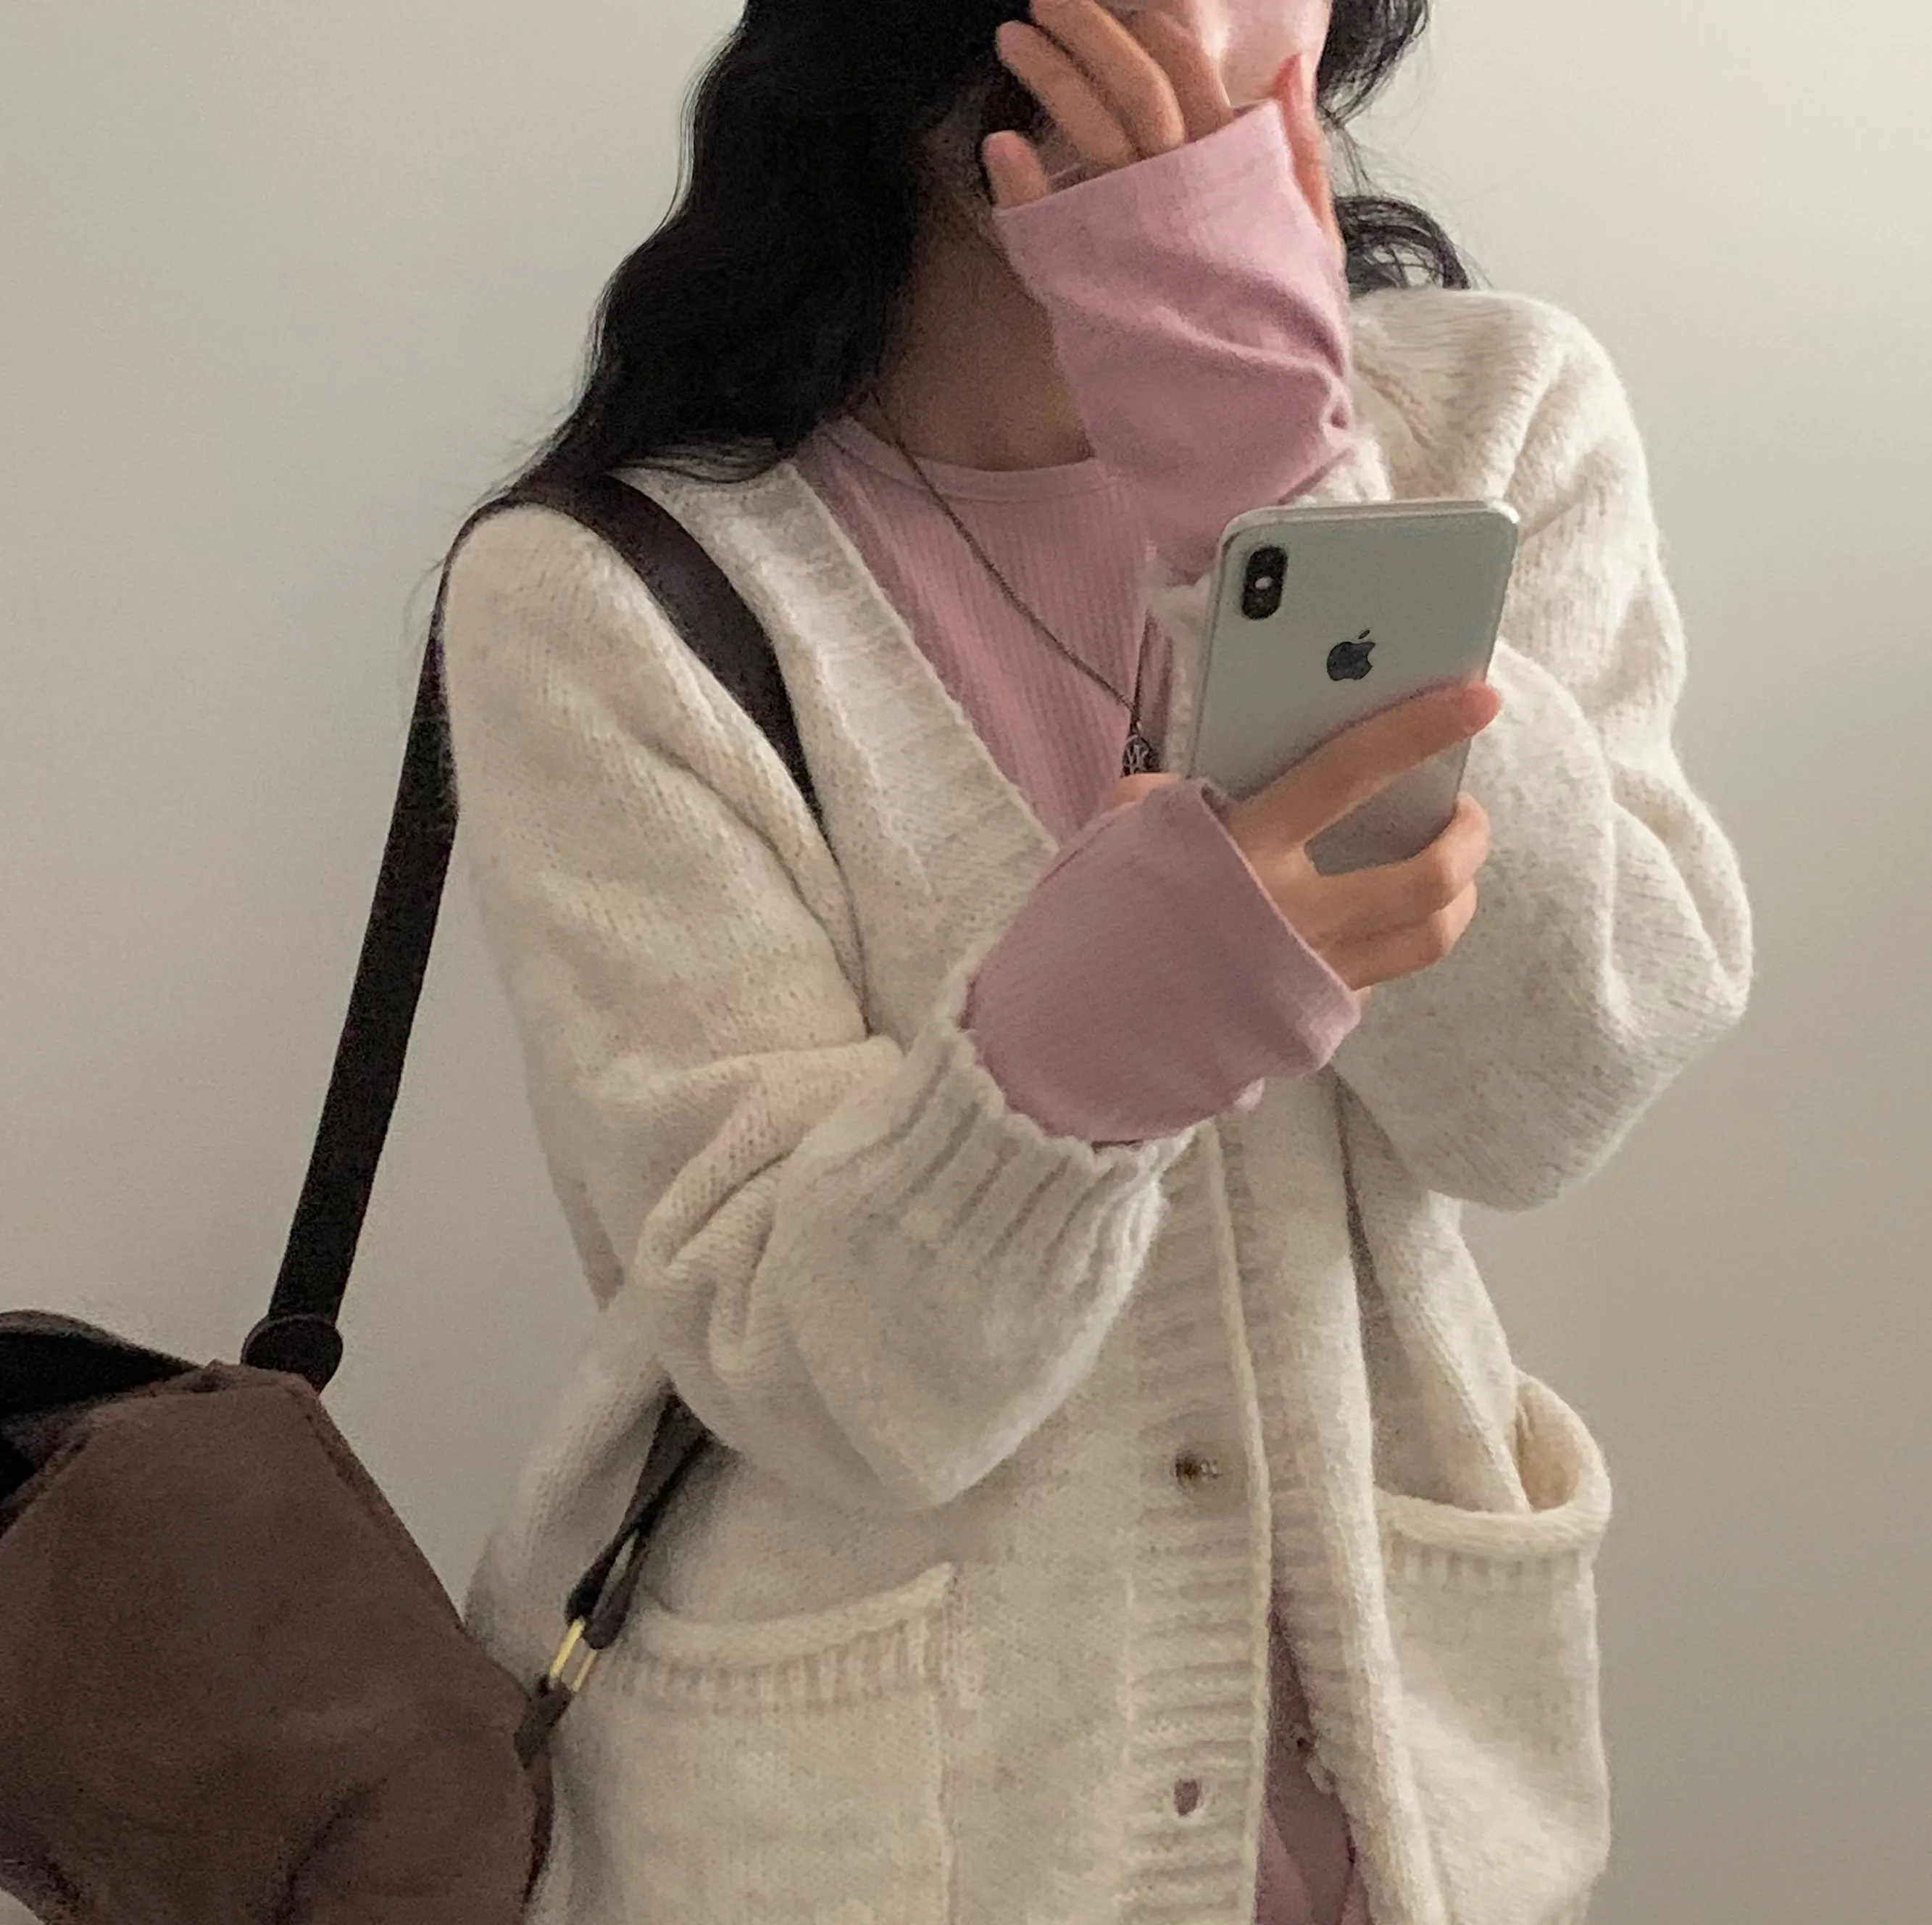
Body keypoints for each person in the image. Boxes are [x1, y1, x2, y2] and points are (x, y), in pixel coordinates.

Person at [436, 2, 1754, 1921]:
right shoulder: (612, 592)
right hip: (879, 1843)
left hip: (1391, 1819)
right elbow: (828, 1388)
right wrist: (1076, 1055)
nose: (1188, 30)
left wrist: (1271, 472)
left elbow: (1554, 1087)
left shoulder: (1486, 421)